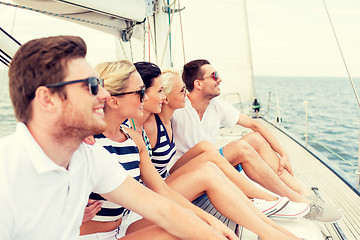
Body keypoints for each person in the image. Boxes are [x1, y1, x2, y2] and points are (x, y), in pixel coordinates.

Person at [0, 36, 232, 240]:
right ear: (48, 99)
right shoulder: (7, 176)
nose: (103, 94)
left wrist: (214, 230)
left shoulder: (87, 157)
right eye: (91, 86)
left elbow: (162, 210)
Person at [81, 60, 303, 240]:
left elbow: (163, 192)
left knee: (193, 224)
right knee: (188, 225)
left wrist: (209, 221)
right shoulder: (86, 144)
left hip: (124, 226)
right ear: (113, 101)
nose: (147, 97)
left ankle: (274, 232)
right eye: (141, 92)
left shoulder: (133, 139)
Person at [171, 59, 342, 223]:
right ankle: (296, 201)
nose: (220, 79)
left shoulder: (216, 106)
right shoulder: (177, 107)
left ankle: (303, 193)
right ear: (198, 83)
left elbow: (255, 125)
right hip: (184, 172)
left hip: (210, 162)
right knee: (240, 148)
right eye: (214, 75)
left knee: (255, 139)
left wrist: (283, 154)